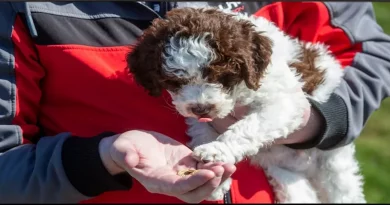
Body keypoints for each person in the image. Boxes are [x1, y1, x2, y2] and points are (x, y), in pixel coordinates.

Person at [0, 1, 389, 203]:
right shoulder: (22, 9)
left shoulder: (251, 41)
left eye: (219, 80)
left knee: (338, 187)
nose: (199, 101)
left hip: (303, 152)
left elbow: (369, 49)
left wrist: (324, 119)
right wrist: (102, 159)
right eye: (177, 84)